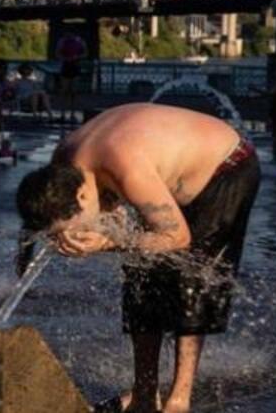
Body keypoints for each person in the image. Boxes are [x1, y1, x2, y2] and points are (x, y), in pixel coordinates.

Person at [16, 103, 260, 413]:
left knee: (195, 277)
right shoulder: (62, 164)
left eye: (72, 229)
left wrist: (108, 242)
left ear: (81, 196)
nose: (74, 236)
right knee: (140, 273)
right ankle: (144, 393)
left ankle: (178, 399)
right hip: (160, 172)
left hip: (225, 167)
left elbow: (177, 237)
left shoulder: (126, 168)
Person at [55, 33, 87, 122]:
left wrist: (77, 57)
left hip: (75, 66)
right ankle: (63, 113)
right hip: (66, 66)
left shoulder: (79, 40)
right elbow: (57, 54)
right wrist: (65, 58)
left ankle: (72, 113)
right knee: (64, 91)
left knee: (74, 92)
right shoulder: (62, 41)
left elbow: (85, 53)